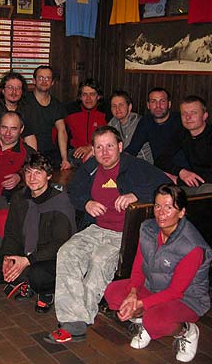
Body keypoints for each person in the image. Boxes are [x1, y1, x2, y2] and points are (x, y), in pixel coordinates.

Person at [44, 126, 171, 344]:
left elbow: (167, 186)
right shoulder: (91, 167)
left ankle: (76, 323)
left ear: (120, 147)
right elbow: (73, 190)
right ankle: (76, 319)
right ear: (93, 149)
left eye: (110, 146)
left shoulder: (136, 167)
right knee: (67, 252)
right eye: (99, 147)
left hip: (123, 234)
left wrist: (136, 195)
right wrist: (87, 202)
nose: (105, 152)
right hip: (96, 229)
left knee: (99, 259)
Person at [104, 184, 212, 362]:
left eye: (169, 207)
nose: (161, 213)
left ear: (182, 212)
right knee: (114, 293)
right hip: (153, 288)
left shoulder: (192, 246)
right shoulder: (148, 228)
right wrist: (132, 294)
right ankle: (146, 322)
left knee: (155, 320)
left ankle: (187, 332)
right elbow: (138, 266)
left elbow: (176, 291)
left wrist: (139, 303)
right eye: (157, 206)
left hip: (186, 299)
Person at [0, 153, 76, 313]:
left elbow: (59, 244)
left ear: (49, 176)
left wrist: (27, 261)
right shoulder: (20, 197)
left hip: (49, 257)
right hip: (24, 252)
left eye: (38, 172)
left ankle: (44, 292)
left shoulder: (60, 201)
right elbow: (11, 233)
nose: (32, 178)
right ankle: (24, 279)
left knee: (38, 275)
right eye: (28, 172)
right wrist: (8, 257)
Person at [155, 95, 212, 194]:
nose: (188, 117)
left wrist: (179, 180)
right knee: (164, 189)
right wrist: (181, 172)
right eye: (184, 113)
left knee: (206, 190)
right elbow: (160, 160)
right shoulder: (183, 134)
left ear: (205, 116)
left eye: (193, 113)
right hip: (195, 183)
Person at [0, 111, 36, 255]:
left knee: (5, 222)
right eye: (4, 127)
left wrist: (20, 176)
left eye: (13, 129)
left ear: (21, 130)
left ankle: (1, 261)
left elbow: (39, 174)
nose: (7, 133)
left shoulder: (28, 153)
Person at [125, 87, 187, 169]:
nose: (158, 106)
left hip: (185, 172)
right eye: (153, 101)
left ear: (169, 104)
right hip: (161, 171)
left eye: (162, 101)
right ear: (148, 105)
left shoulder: (181, 121)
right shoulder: (146, 122)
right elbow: (132, 149)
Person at [24, 66, 70, 170]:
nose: (44, 81)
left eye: (47, 78)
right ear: (34, 80)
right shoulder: (24, 101)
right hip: (27, 151)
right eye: (40, 78)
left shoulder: (56, 104)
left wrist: (64, 159)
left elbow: (62, 131)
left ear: (52, 82)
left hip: (49, 153)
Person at [0, 71, 37, 150]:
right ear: (3, 90)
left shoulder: (26, 108)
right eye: (10, 87)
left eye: (18, 88)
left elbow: (29, 135)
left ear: (22, 92)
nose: (14, 92)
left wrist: (33, 158)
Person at [64, 78, 107, 165]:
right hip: (75, 154)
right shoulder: (69, 111)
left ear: (98, 96)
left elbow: (111, 139)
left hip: (98, 152)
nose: (88, 98)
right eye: (84, 94)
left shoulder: (106, 113)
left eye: (92, 94)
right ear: (80, 97)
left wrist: (91, 147)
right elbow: (58, 134)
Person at [108, 90, 153, 163]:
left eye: (121, 105)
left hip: (142, 164)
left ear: (130, 107)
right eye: (114, 106)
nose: (117, 109)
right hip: (125, 161)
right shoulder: (113, 122)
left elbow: (127, 151)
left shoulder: (138, 122)